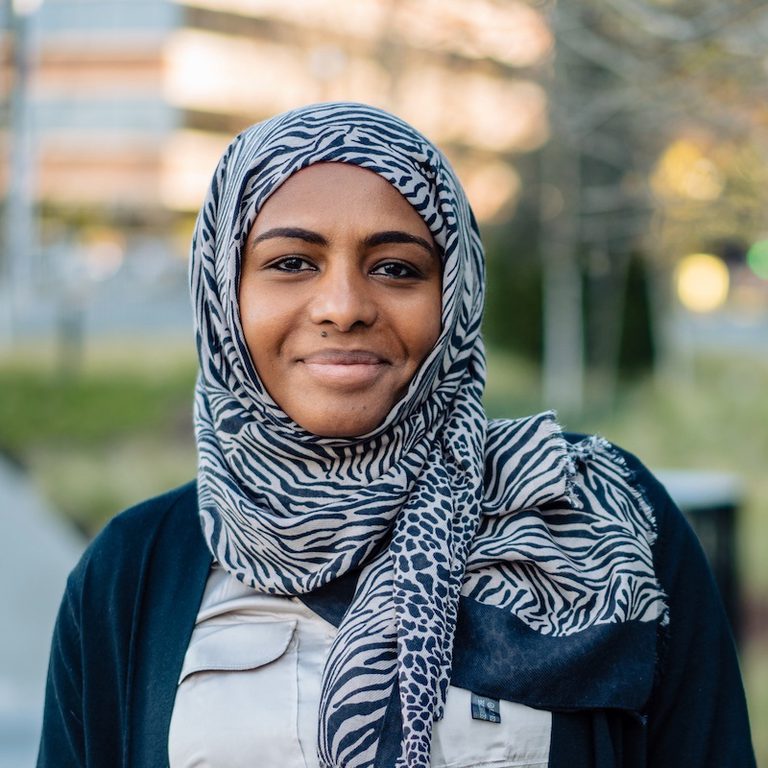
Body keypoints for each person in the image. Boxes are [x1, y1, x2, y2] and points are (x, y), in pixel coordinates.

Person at [37, 102, 755, 768]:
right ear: (223, 295)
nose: (344, 306)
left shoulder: (602, 520)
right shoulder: (132, 572)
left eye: (396, 268)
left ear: (456, 297)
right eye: (291, 263)